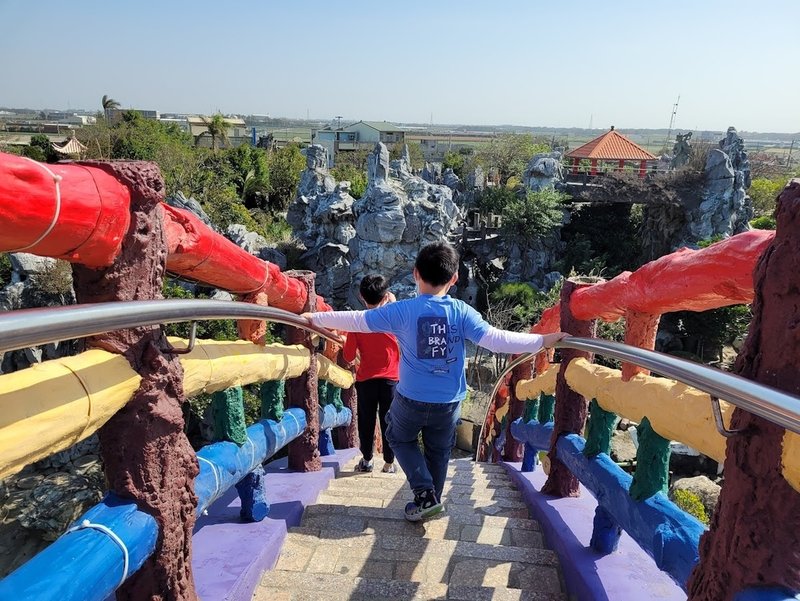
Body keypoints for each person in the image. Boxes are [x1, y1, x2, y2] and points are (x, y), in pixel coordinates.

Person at [304, 242, 568, 522]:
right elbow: (496, 339)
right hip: (449, 400)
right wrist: (542, 340)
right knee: (439, 450)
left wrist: (314, 318)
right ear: (454, 279)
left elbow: (357, 320)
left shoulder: (403, 311)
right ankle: (431, 500)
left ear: (416, 273)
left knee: (397, 436)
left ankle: (424, 493)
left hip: (411, 397)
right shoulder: (462, 312)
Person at [343, 275, 400, 474]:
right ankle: (389, 463)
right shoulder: (394, 320)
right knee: (390, 421)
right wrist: (392, 304)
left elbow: (348, 355)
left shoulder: (358, 322)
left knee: (366, 420)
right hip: (391, 379)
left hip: (366, 380)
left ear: (361, 296)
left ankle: (367, 460)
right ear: (385, 296)